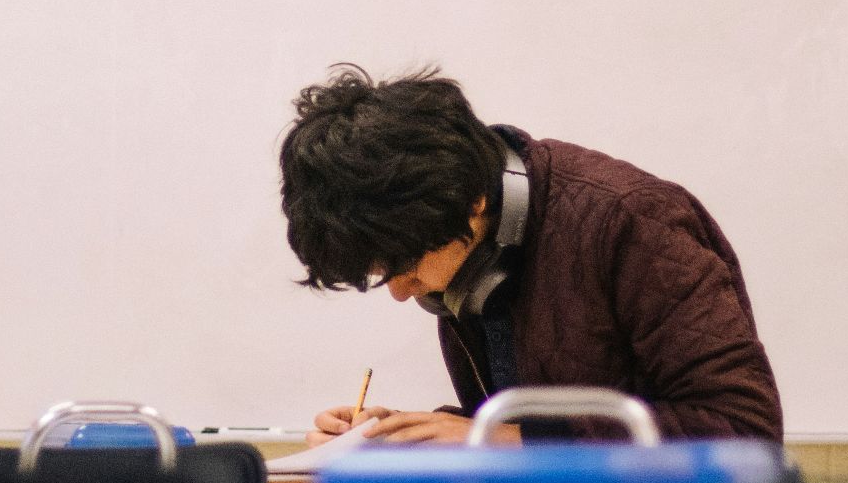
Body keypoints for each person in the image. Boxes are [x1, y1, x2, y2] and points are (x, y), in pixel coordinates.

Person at [280, 64, 782, 446]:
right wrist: (409, 436)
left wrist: (507, 442)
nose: (399, 292)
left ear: (471, 201)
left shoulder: (632, 219)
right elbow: (535, 418)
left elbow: (743, 429)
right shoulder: (477, 249)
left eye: (404, 267)